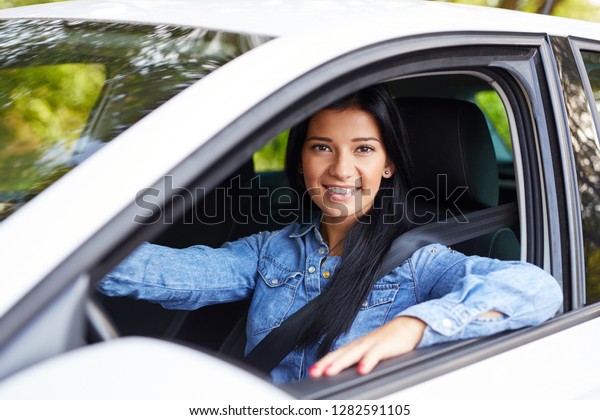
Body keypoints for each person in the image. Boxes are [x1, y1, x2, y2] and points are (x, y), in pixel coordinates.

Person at [97, 85, 563, 385]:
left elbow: (536, 289)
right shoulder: (271, 250)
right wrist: (56, 256)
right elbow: (169, 274)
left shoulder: (419, 263)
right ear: (300, 161)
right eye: (322, 147)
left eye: (363, 149)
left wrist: (413, 327)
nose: (341, 170)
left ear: (388, 164)